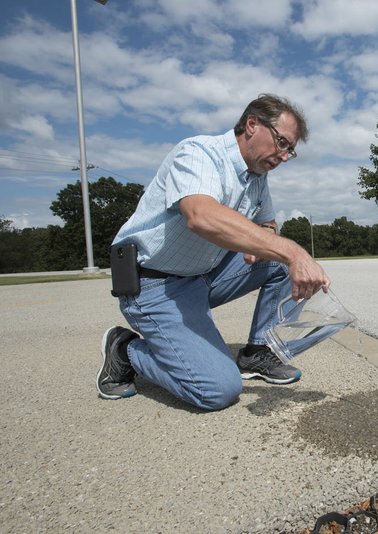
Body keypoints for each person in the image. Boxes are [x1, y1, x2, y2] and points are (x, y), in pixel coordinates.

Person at [97, 93, 330, 411]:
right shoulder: (199, 153)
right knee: (217, 390)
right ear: (252, 125)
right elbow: (200, 215)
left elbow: (268, 223)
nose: (285, 156)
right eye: (282, 143)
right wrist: (292, 251)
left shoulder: (257, 178)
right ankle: (125, 350)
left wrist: (266, 239)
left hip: (203, 276)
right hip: (155, 286)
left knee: (276, 263)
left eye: (291, 150)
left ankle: (257, 353)